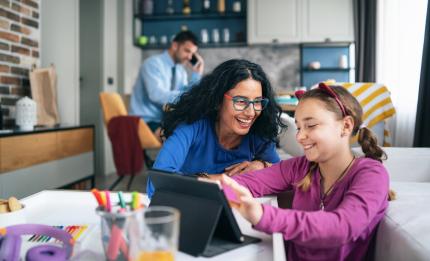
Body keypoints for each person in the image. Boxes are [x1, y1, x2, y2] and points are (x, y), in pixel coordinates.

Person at [219, 83, 394, 260]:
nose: (300, 136)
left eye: (310, 125)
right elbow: (246, 183)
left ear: (346, 126)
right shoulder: (300, 166)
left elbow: (342, 226)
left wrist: (262, 215)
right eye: (299, 127)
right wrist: (205, 186)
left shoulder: (371, 174)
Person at [147, 59, 286, 198]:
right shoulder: (192, 126)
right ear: (218, 100)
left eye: (257, 102)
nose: (251, 112)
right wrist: (225, 180)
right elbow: (156, 184)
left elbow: (283, 180)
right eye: (241, 101)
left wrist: (262, 165)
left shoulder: (259, 131)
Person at [129, 30, 205, 132]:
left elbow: (188, 93)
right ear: (175, 45)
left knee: (196, 130)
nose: (189, 57)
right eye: (187, 51)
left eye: (192, 54)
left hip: (165, 120)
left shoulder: (180, 70)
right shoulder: (152, 64)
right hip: (147, 121)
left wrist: (197, 74)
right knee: (183, 135)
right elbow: (156, 95)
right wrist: (188, 96)